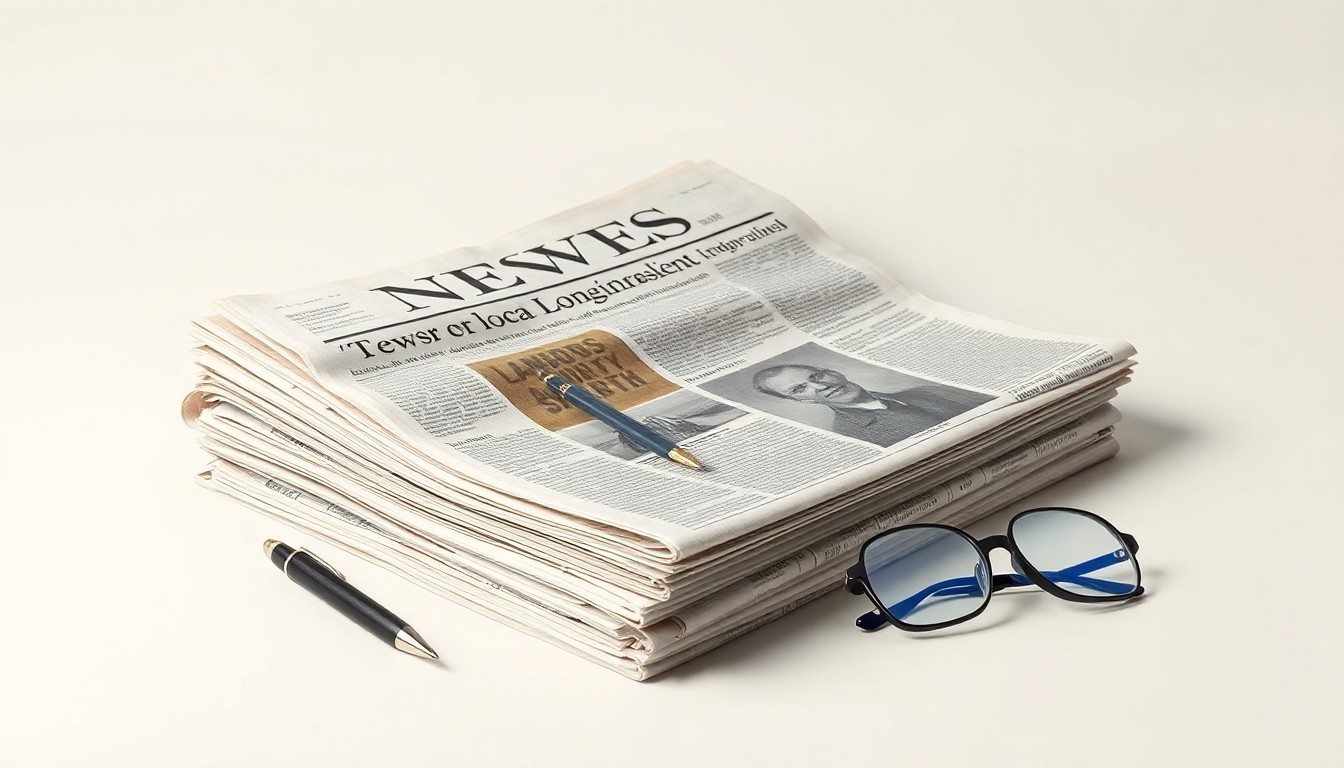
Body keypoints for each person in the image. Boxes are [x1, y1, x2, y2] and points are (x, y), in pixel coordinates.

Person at [752, 364, 992, 447]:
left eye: (816, 377)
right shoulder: (853, 434)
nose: (821, 387)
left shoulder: (923, 391)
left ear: (833, 372)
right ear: (801, 401)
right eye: (799, 389)